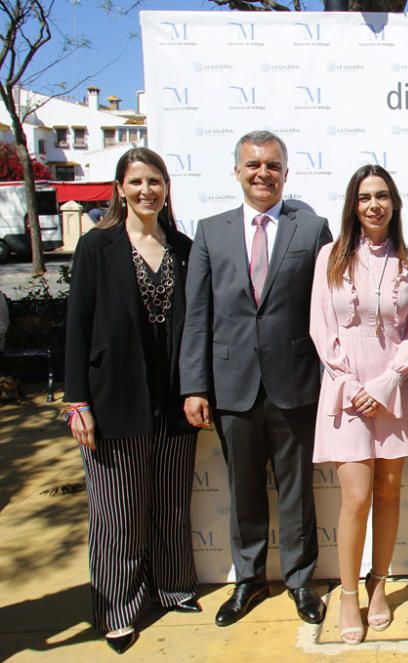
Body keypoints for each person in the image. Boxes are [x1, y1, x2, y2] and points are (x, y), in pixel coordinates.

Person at [180, 130, 332, 628]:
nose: (262, 173)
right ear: (237, 171)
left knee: (296, 491)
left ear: (286, 173)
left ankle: (299, 579)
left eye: (272, 165)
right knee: (243, 488)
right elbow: (197, 315)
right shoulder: (210, 231)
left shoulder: (312, 230)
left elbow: (330, 309)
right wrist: (194, 386)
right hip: (232, 386)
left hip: (295, 384)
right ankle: (247, 579)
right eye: (253, 165)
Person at [64, 147, 199, 654]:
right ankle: (117, 607)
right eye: (137, 181)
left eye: (156, 181)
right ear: (120, 188)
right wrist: (77, 402)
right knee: (117, 513)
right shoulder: (97, 247)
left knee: (168, 503)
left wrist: (196, 388)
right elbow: (76, 327)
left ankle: (173, 587)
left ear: (166, 188)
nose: (147, 191)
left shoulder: (183, 248)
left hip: (172, 396)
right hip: (114, 397)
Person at [309, 165, 408, 644]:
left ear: (394, 203)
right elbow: (322, 327)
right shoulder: (329, 257)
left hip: (393, 391)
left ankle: (380, 585)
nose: (374, 205)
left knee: (389, 491)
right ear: (353, 205)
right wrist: (350, 381)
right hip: (345, 392)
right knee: (356, 497)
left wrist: (386, 383)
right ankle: (347, 593)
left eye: (382, 196)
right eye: (364, 197)